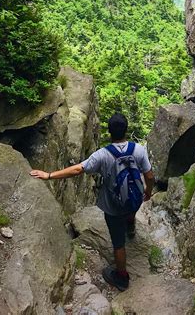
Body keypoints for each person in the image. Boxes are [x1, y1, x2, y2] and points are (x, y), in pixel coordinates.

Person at [30, 112, 155, 291]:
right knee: (131, 208)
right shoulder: (139, 150)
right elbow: (149, 175)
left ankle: (122, 277)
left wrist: (49, 175)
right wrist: (148, 192)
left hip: (113, 207)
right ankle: (131, 224)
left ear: (110, 132)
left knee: (118, 243)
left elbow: (77, 170)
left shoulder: (102, 155)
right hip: (134, 200)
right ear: (126, 131)